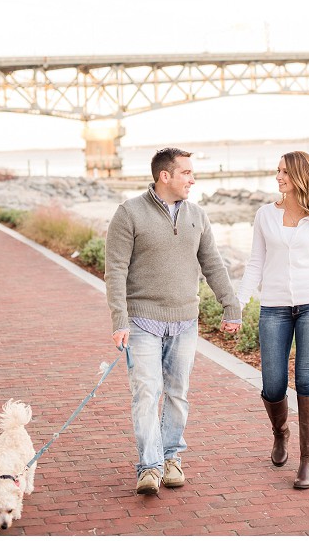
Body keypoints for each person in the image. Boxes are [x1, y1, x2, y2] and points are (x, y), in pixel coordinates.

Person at [105, 147, 242, 495]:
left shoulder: (197, 214)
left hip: (185, 321)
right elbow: (115, 270)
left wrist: (231, 306)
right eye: (186, 173)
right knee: (147, 393)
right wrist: (119, 320)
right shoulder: (129, 213)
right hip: (142, 320)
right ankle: (149, 467)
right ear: (165, 176)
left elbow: (213, 264)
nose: (193, 179)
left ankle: (171, 459)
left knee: (178, 394)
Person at [237, 151, 309, 489]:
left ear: (301, 175)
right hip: (273, 307)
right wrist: (239, 304)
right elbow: (255, 262)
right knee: (272, 384)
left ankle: (307, 459)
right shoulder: (265, 215)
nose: (278, 177)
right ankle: (280, 433)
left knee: (307, 382)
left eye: (284, 172)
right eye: (277, 171)